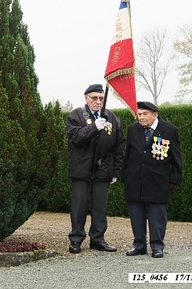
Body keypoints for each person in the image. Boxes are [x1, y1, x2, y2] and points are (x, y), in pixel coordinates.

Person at [66, 83, 125, 254]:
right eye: (95, 98)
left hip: (103, 169)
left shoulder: (111, 118)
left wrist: (116, 171)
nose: (98, 101)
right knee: (79, 206)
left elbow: (119, 146)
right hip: (82, 169)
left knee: (100, 207)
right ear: (86, 98)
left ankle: (98, 239)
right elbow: (75, 138)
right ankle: (76, 239)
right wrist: (93, 127)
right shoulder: (76, 115)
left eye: (101, 98)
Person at [122, 101, 183, 258]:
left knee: (157, 215)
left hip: (158, 181)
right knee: (136, 214)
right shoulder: (133, 129)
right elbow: (127, 154)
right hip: (135, 179)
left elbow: (176, 157)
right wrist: (124, 175)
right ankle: (139, 245)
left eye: (145, 114)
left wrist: (175, 179)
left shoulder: (169, 130)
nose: (141, 117)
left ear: (155, 114)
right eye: (139, 114)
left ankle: (157, 246)